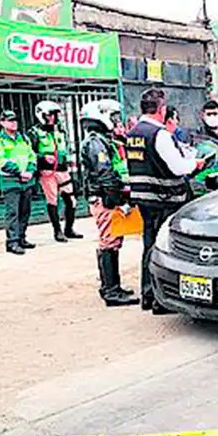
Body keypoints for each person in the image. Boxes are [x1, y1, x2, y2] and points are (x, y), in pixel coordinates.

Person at [126, 88, 205, 313]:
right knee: (164, 249)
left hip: (143, 199)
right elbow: (178, 167)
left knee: (149, 246)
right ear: (161, 110)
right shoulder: (159, 134)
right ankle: (160, 300)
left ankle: (148, 294)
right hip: (164, 199)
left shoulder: (133, 133)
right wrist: (195, 164)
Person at [80, 100, 138, 307]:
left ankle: (113, 287)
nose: (115, 121)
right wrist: (116, 200)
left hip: (108, 198)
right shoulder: (96, 143)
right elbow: (105, 175)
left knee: (114, 241)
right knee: (109, 241)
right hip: (104, 200)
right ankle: (110, 291)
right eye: (112, 116)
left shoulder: (104, 141)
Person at [28, 100, 82, 243]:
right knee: (52, 201)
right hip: (47, 171)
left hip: (63, 169)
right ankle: (57, 231)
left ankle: (69, 229)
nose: (52, 118)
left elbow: (65, 147)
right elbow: (29, 153)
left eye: (54, 115)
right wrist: (43, 157)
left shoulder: (60, 130)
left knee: (71, 200)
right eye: (49, 115)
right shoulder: (34, 132)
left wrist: (70, 159)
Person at [0, 110, 38, 254]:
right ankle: (12, 242)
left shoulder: (23, 138)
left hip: (26, 180)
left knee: (25, 211)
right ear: (2, 123)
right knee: (12, 212)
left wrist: (29, 170)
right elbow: (0, 160)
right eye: (9, 120)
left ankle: (21, 237)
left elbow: (31, 156)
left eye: (15, 120)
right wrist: (19, 171)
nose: (13, 123)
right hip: (10, 180)